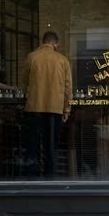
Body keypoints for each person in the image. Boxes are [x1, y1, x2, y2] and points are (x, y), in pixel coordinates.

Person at [22, 31, 72, 178]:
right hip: (55, 109)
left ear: (42, 42)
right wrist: (67, 109)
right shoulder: (63, 60)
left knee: (32, 146)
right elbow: (68, 88)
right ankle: (50, 179)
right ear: (56, 44)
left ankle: (32, 178)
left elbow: (24, 82)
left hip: (34, 107)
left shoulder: (31, 57)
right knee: (51, 147)